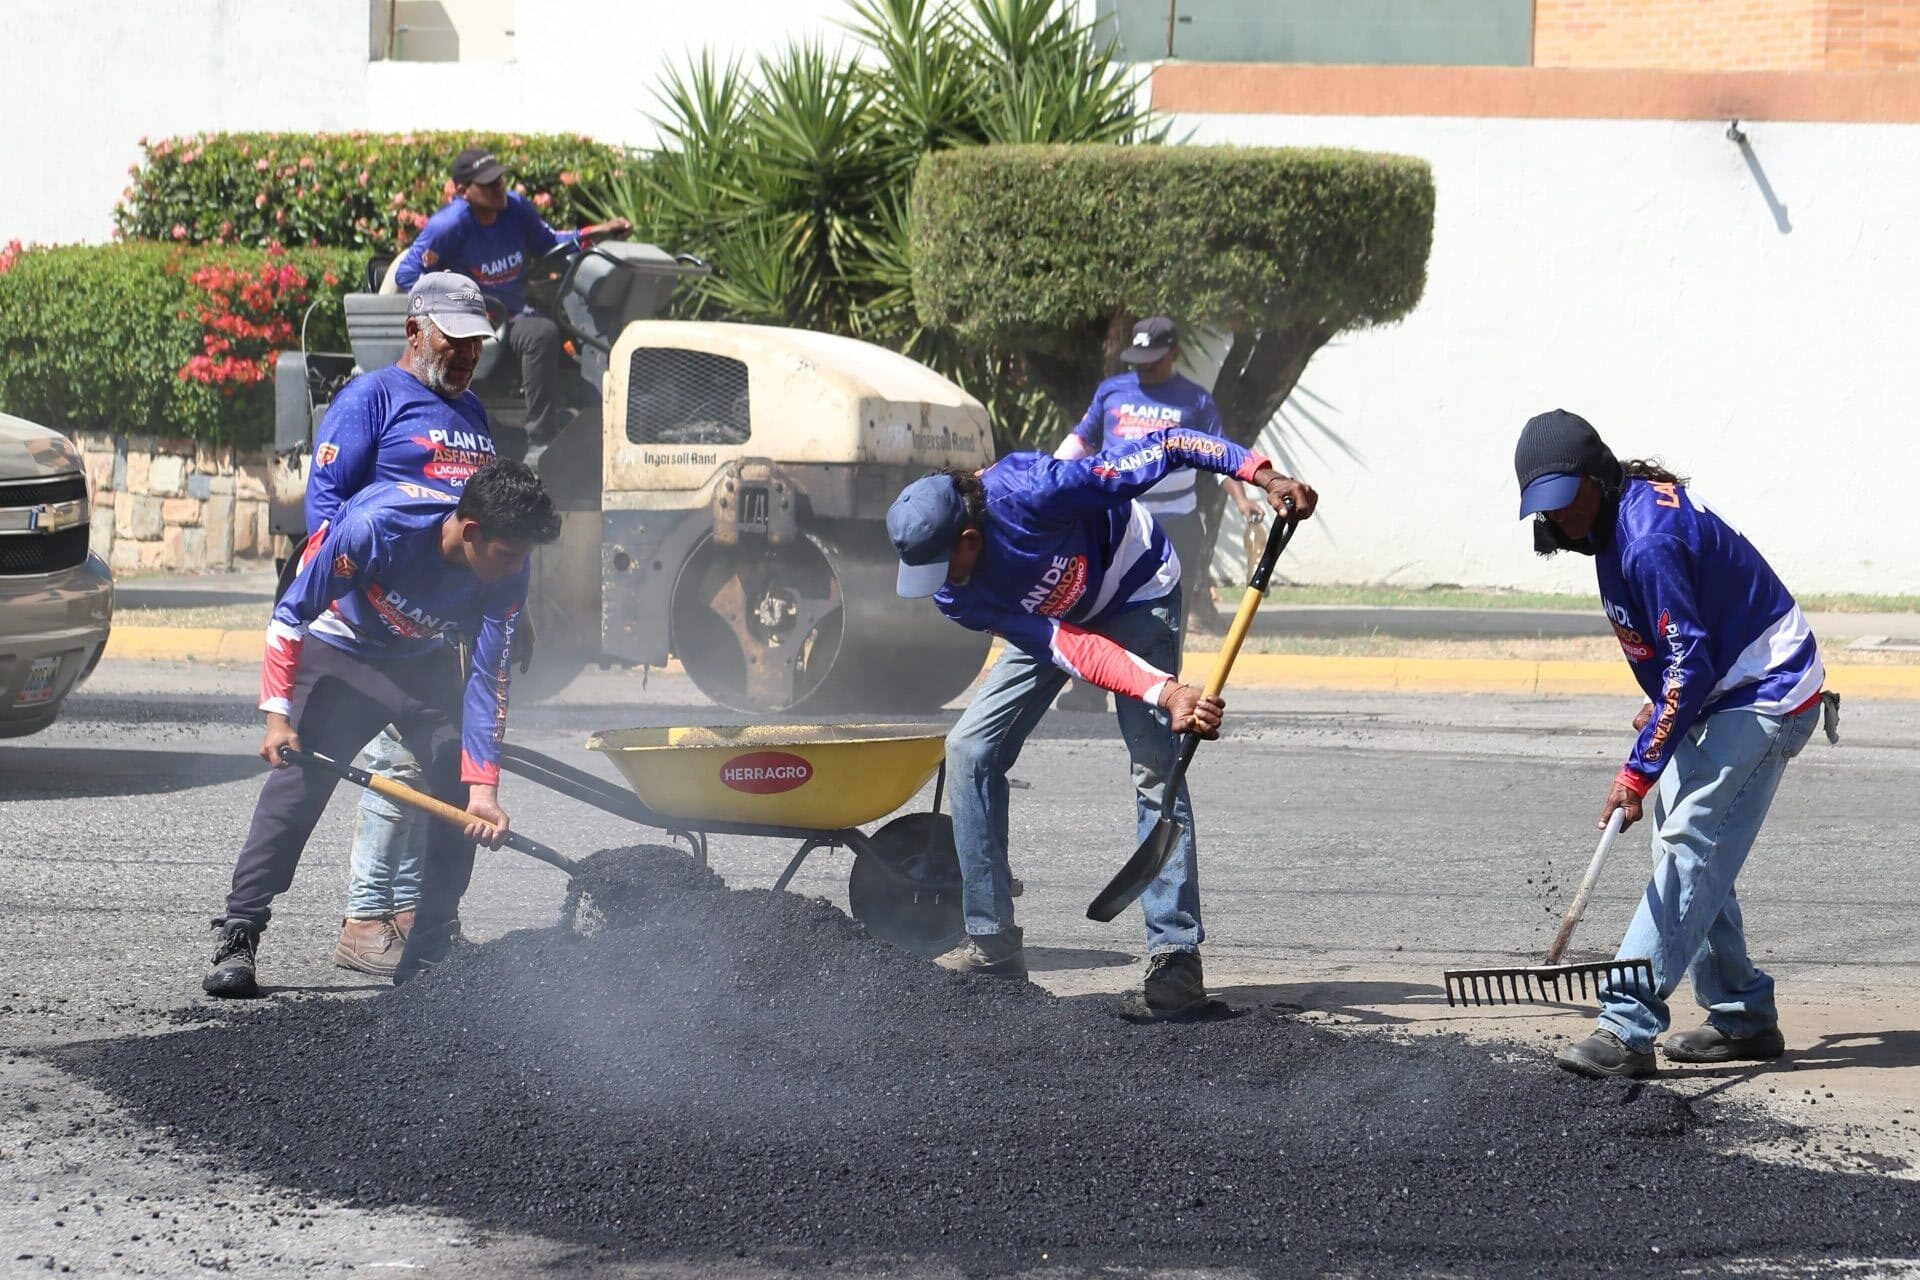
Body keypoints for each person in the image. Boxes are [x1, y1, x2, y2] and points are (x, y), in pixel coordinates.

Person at [887, 427, 1316, 1016]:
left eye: (943, 565)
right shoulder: (954, 593)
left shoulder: (1039, 491)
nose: (940, 585)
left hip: (1136, 588)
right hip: (1057, 620)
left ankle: (1176, 959)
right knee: (969, 749)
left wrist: (1263, 475)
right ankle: (992, 944)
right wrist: (1161, 689)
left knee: (1155, 765)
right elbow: (1065, 646)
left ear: (968, 538)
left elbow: (1169, 445)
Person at [1512, 410, 1830, 1080]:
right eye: (1548, 508)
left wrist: (1640, 768)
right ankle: (1743, 1012)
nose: (1560, 518)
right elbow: (1683, 645)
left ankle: (1627, 1026)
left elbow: (1690, 664)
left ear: (1596, 478)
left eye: (1567, 499)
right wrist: (1665, 706)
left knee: (1690, 841)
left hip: (1766, 689)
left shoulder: (1645, 537)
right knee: (1685, 845)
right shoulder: (1611, 522)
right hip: (1725, 680)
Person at [203, 459, 562, 999]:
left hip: (420, 663)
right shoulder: (377, 527)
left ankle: (428, 951)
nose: (516, 567)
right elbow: (290, 614)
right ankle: (240, 931)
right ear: (471, 533)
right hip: (341, 648)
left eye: (524, 557)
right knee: (295, 787)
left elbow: (488, 680)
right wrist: (278, 719)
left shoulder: (511, 568)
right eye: (508, 554)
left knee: (460, 788)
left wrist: (484, 791)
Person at [304, 271, 499, 978]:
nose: (468, 353)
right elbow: (326, 506)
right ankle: (363, 920)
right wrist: (361, 590)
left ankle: (413, 917)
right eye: (456, 339)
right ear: (415, 331)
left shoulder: (471, 412)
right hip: (371, 622)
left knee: (435, 763)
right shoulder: (373, 398)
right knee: (392, 763)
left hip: (433, 625)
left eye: (477, 341)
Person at [1053, 317, 1261, 710]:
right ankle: (1089, 691)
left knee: (1165, 615)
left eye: (1153, 358)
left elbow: (1219, 453)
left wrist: (1241, 498)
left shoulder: (1194, 401)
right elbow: (1082, 439)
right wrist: (1047, 475)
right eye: (1138, 358)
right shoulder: (1111, 392)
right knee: (1095, 602)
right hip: (1116, 523)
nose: (1144, 366)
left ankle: (1159, 696)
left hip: (1175, 525)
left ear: (1174, 353)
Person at [393, 146, 630, 449]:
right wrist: (452, 308)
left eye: (500, 180)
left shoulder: (515, 208)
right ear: (464, 191)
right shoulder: (449, 225)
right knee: (532, 334)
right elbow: (406, 276)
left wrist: (599, 232)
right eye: (488, 184)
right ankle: (512, 437)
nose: (498, 189)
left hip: (512, 316)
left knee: (554, 340)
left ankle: (553, 436)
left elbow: (549, 244)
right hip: (470, 321)